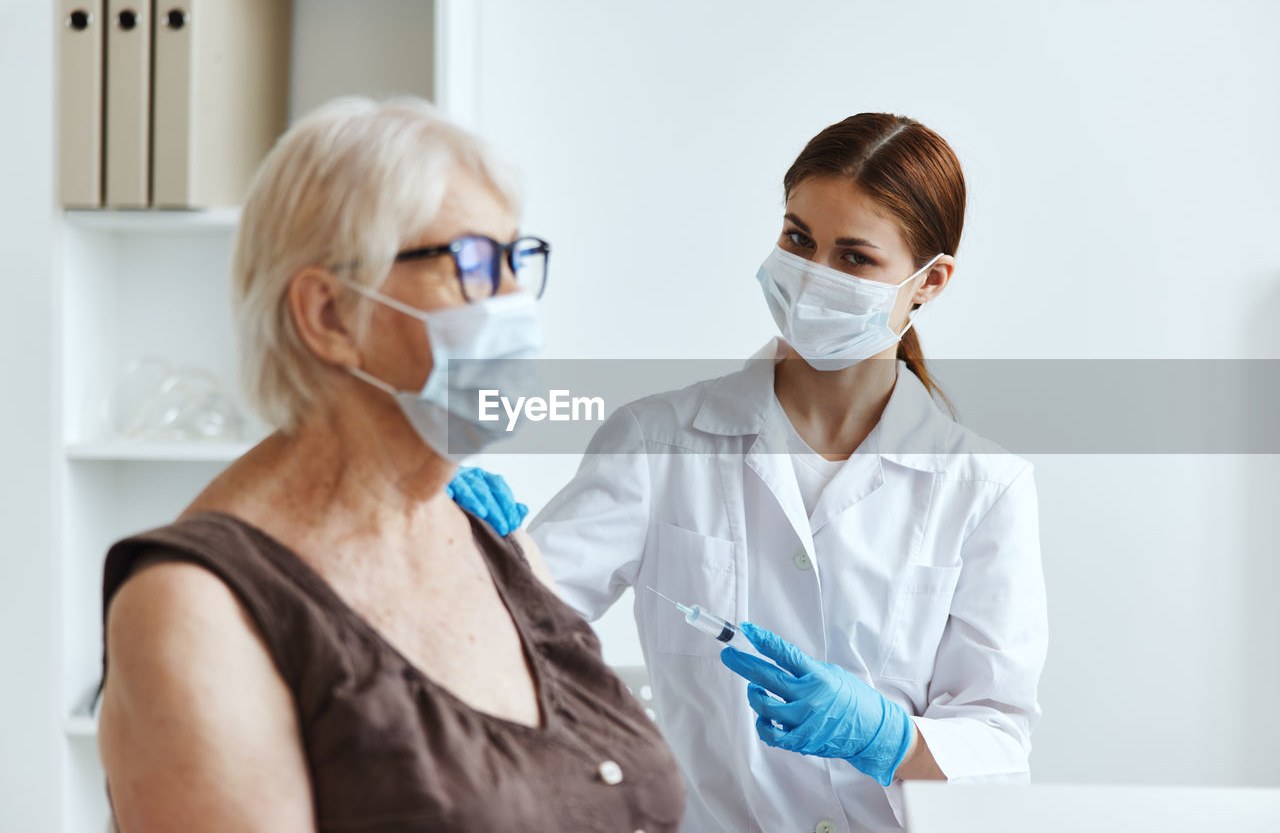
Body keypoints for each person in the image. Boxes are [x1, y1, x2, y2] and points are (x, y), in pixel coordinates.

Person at [96, 97, 685, 833]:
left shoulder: (496, 545)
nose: (513, 306)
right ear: (330, 315)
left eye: (514, 260)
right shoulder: (198, 606)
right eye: (469, 264)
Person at [454, 113, 1048, 832]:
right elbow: (507, 629)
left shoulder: (985, 487)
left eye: (855, 258)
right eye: (799, 239)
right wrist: (467, 550)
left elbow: (998, 745)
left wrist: (885, 738)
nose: (812, 278)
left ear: (930, 282)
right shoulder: (658, 441)